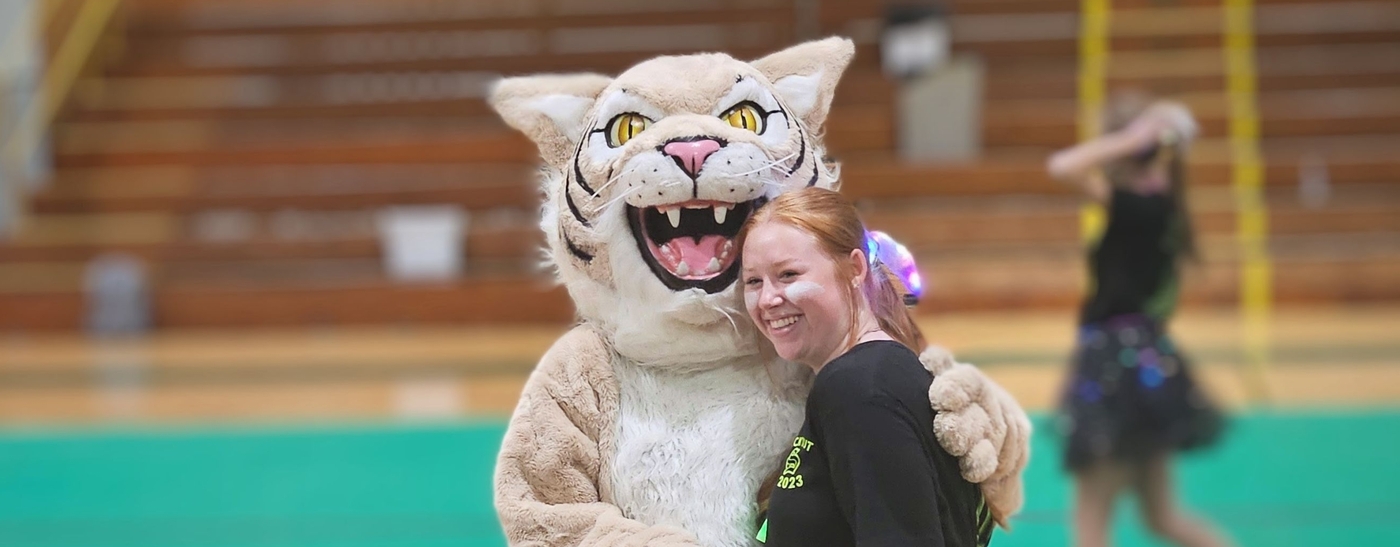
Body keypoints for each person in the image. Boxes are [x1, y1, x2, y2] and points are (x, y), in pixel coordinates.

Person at [737, 187, 993, 547]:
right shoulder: (872, 374)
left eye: (789, 274)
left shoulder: (859, 389)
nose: (767, 299)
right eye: (753, 281)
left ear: (855, 268)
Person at [1047, 95, 1231, 547]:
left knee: (1090, 519)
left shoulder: (1137, 206)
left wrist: (1128, 138)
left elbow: (1062, 167)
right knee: (1163, 517)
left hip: (1117, 368)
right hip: (1144, 361)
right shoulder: (1162, 204)